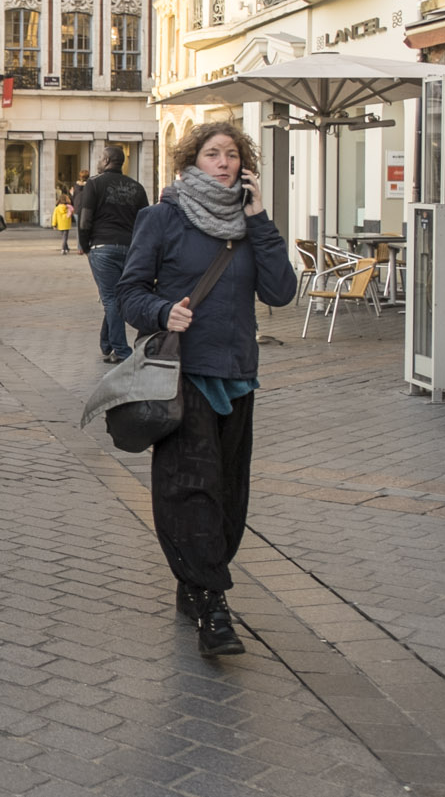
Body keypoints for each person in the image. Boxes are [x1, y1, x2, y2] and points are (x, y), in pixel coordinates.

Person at [116, 122, 296, 657]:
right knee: (189, 491)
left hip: (238, 373)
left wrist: (260, 219)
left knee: (227, 497)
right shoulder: (162, 218)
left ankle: (195, 581)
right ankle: (212, 605)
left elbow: (282, 292)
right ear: (190, 162)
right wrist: (159, 311)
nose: (223, 163)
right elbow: (128, 293)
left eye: (232, 155)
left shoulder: (247, 223)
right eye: (212, 154)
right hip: (183, 375)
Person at [75, 146, 151, 364]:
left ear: (107, 160)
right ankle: (106, 343)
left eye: (100, 157)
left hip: (102, 247)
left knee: (110, 299)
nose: (98, 161)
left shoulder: (94, 183)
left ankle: (120, 349)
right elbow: (145, 221)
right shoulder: (136, 187)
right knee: (116, 297)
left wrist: (85, 244)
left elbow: (85, 218)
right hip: (129, 248)